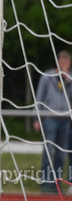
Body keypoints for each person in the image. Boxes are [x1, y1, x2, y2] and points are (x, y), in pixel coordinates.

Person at [33, 50, 72, 193]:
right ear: (58, 62)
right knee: (48, 152)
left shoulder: (70, 79)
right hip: (50, 118)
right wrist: (36, 118)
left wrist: (67, 81)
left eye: (67, 63)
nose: (64, 65)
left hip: (65, 120)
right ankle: (45, 182)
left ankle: (57, 182)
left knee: (62, 154)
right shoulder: (47, 77)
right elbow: (39, 98)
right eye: (62, 62)